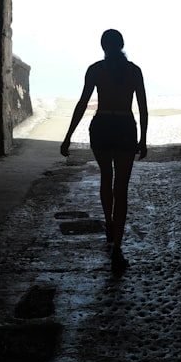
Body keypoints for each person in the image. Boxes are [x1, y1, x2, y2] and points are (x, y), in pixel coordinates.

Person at [60, 29, 148, 272]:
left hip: (102, 126)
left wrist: (67, 137)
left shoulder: (96, 70)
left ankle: (109, 222)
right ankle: (118, 247)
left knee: (105, 178)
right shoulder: (134, 71)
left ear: (103, 46)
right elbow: (142, 107)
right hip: (125, 126)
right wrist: (143, 138)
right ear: (121, 45)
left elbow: (82, 103)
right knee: (121, 189)